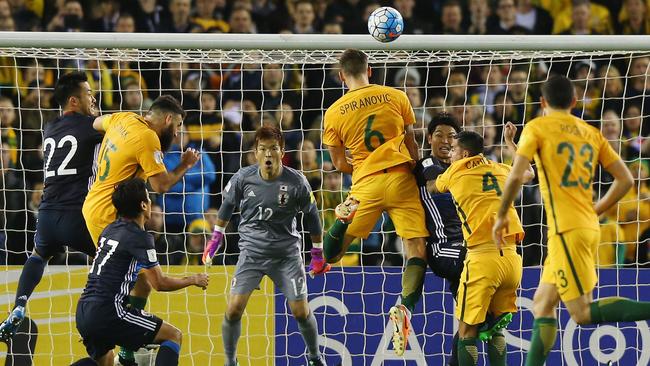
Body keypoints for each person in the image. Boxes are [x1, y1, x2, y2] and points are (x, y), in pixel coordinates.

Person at [492, 75, 650, 366]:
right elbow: (625, 179)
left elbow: (516, 174)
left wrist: (501, 215)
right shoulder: (590, 132)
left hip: (567, 232)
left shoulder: (537, 126)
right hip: (581, 228)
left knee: (582, 313)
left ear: (542, 102)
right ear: (575, 102)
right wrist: (597, 209)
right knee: (542, 304)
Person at [321, 48, 429, 356]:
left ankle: (340, 223)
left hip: (365, 183)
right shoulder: (396, 97)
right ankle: (404, 308)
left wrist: (361, 162)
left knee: (336, 254)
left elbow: (339, 163)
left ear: (342, 75)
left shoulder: (334, 112)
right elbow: (411, 142)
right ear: (370, 71)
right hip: (400, 178)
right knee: (415, 247)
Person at [82, 94, 200, 365]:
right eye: (179, 125)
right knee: (140, 278)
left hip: (93, 204)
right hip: (110, 214)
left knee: (141, 282)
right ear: (168, 119)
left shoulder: (124, 118)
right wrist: (185, 164)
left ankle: (125, 348)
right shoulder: (149, 138)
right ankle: (124, 339)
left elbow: (96, 123)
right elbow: (160, 186)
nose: (178, 131)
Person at [202, 126, 329, 366]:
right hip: (252, 254)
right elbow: (226, 208)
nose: (268, 154)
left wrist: (317, 253)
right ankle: (230, 361)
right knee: (233, 310)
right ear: (255, 153)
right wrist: (215, 240)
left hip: (286, 255)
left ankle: (314, 357)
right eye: (263, 149)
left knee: (301, 312)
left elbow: (312, 216)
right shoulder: (243, 178)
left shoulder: (297, 182)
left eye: (273, 148)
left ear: (282, 151)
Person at [0, 72, 103, 341]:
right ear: (73, 100)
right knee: (109, 255)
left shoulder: (50, 127)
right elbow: (114, 130)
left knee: (38, 256)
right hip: (77, 214)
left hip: (46, 214)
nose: (93, 97)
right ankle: (95, 317)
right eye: (88, 93)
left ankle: (19, 303)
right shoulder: (91, 125)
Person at [75, 178, 209, 366]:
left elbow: (144, 282)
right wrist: (194, 278)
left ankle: (126, 356)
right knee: (173, 336)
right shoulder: (140, 237)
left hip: (84, 311)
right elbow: (160, 284)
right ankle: (126, 355)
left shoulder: (109, 229)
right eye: (148, 198)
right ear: (144, 205)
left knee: (103, 363)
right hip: (108, 312)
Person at [428, 129, 533, 366]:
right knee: (496, 331)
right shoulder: (500, 168)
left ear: (464, 153)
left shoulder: (455, 171)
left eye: (453, 150)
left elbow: (434, 186)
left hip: (482, 259)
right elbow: (528, 172)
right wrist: (510, 142)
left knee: (467, 332)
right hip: (512, 261)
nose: (450, 154)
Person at [413, 113, 465, 365]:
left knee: (472, 319)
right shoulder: (425, 165)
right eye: (439, 135)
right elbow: (435, 186)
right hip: (442, 248)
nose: (446, 141)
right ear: (430, 139)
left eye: (452, 136)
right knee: (477, 261)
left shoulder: (463, 168)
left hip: (465, 247)